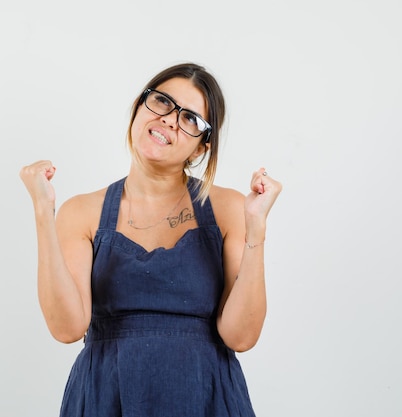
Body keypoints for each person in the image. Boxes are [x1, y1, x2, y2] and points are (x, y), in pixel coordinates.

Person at [19, 62, 282, 416]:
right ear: (140, 107)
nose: (170, 120)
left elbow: (241, 337)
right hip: (105, 397)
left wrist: (257, 230)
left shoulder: (228, 208)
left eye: (190, 119)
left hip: (205, 398)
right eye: (161, 102)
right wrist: (42, 211)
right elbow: (66, 328)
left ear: (201, 148)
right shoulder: (82, 212)